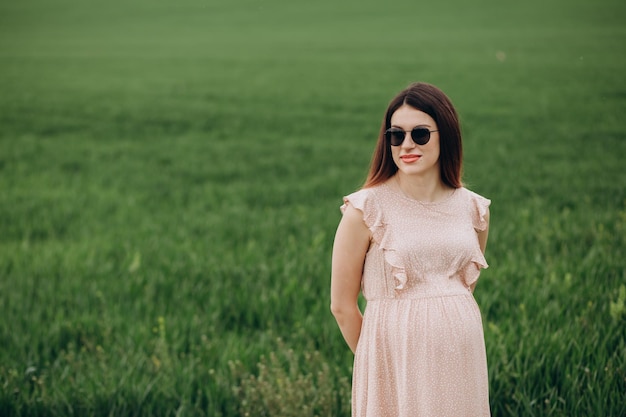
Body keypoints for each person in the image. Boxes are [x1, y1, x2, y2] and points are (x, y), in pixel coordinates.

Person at [330, 82, 491, 416]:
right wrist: (381, 360)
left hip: (462, 362)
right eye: (396, 135)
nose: (406, 145)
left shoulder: (472, 208)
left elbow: (460, 289)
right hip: (394, 366)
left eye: (420, 134)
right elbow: (342, 307)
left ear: (445, 134)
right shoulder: (366, 210)